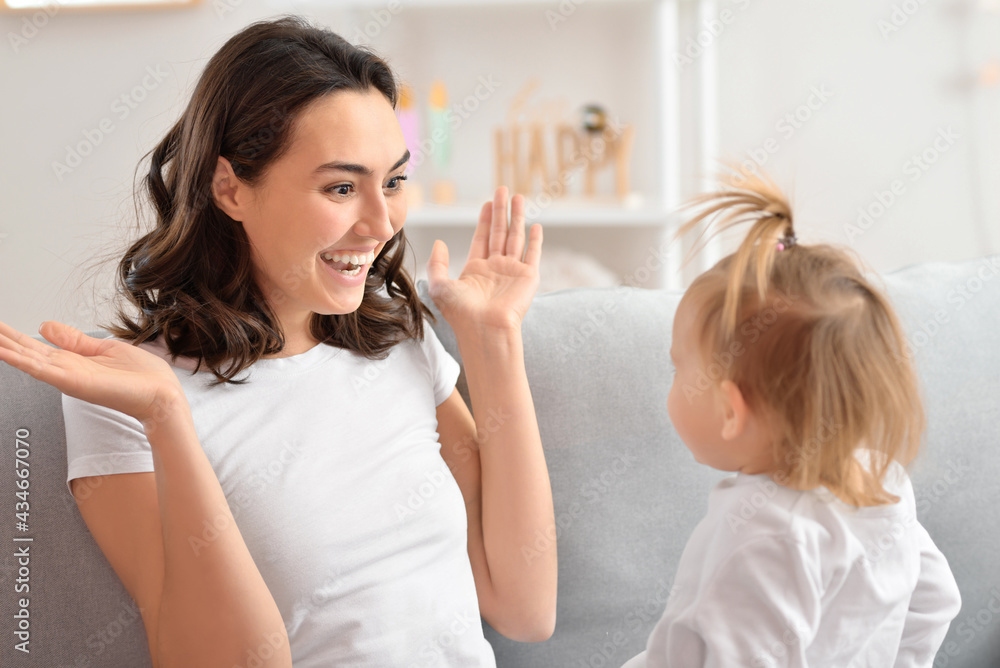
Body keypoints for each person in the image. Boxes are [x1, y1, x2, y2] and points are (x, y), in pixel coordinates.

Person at [0, 16, 556, 668]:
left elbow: (525, 608)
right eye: (342, 187)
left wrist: (495, 343)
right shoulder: (127, 395)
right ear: (230, 188)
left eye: (394, 181)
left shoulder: (398, 342)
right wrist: (169, 422)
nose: (381, 222)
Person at [621, 174, 961, 668]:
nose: (672, 383)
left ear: (731, 411)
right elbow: (934, 603)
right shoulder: (885, 480)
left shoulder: (765, 535)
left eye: (678, 368)